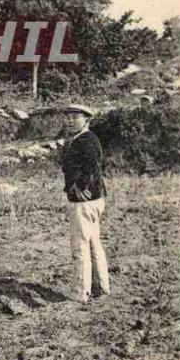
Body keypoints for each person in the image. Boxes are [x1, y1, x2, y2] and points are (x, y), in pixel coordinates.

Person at [61, 104, 110, 304]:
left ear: (86, 120)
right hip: (94, 199)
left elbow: (93, 165)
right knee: (92, 243)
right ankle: (101, 287)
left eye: (75, 117)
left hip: (84, 201)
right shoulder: (82, 139)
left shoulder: (86, 140)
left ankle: (81, 293)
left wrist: (79, 186)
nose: (70, 120)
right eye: (68, 117)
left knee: (80, 246)